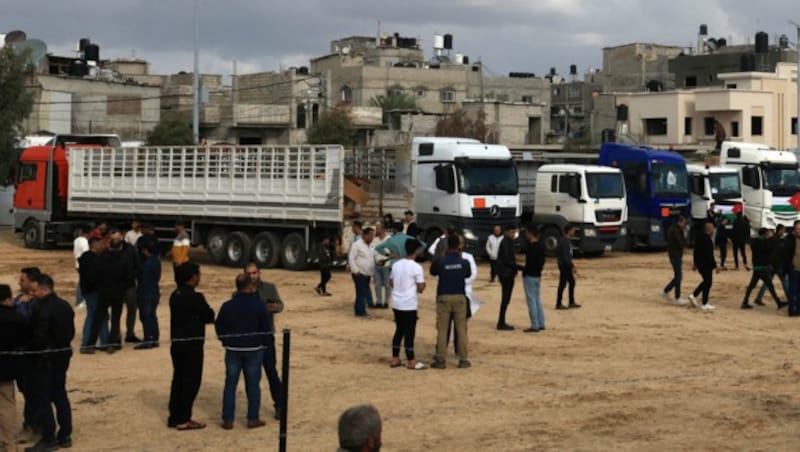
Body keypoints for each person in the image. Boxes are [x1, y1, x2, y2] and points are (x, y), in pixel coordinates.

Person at [25, 274, 74, 451]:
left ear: (45, 289)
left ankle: (48, 437)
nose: (33, 293)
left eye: (35, 290)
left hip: (45, 359)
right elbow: (70, 333)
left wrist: (27, 350)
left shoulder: (42, 308)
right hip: (62, 355)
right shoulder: (64, 305)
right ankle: (65, 434)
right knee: (60, 394)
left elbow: (40, 336)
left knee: (44, 398)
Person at [216, 274, 270, 430]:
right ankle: (252, 418)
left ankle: (228, 419)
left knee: (230, 385)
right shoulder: (258, 304)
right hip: (254, 348)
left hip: (233, 349)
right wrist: (265, 344)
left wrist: (225, 340)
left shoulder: (228, 305)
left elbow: (219, 325)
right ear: (250, 286)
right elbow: (265, 327)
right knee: (253, 385)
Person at [168, 263, 214, 430]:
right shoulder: (196, 297)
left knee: (178, 380)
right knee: (191, 381)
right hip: (193, 345)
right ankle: (184, 418)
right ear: (192, 277)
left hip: (177, 344)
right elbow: (209, 316)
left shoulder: (174, 295)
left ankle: (174, 416)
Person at [242, 263, 285, 421]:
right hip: (249, 338)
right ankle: (253, 411)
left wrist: (274, 307)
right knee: (252, 375)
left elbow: (281, 305)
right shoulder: (238, 293)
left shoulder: (269, 288)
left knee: (271, 372)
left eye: (255, 273)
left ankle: (280, 405)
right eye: (249, 273)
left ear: (260, 273)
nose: (252, 276)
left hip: (266, 336)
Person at [430, 235, 472, 369]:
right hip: (459, 296)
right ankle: (463, 359)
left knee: (442, 330)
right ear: (459, 246)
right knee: (461, 330)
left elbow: (433, 271)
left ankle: (441, 359)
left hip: (444, 296)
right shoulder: (464, 262)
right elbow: (468, 275)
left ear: (447, 245)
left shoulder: (441, 261)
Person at [89, 230, 135, 352]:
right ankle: (111, 343)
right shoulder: (123, 261)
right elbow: (128, 276)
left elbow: (94, 275)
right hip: (118, 292)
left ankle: (90, 344)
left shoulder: (101, 258)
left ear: (109, 245)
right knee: (115, 319)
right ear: (120, 247)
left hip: (104, 291)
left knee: (98, 318)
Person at [389, 239, 426, 370]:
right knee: (409, 332)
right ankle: (411, 359)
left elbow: (391, 282)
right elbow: (421, 286)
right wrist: (420, 287)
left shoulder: (396, 265)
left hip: (397, 302)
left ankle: (395, 357)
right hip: (409, 304)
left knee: (399, 330)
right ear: (416, 250)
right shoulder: (416, 267)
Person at [0, 284, 29, 452]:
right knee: (7, 406)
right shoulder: (16, 318)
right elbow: (25, 341)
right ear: (8, 299)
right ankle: (10, 443)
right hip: (7, 369)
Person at [741, 228, 787, 310]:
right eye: (767, 233)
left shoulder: (755, 241)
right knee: (770, 286)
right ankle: (778, 302)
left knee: (752, 286)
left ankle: (745, 302)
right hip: (762, 268)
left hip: (756, 267)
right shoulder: (764, 242)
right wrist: (771, 238)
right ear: (764, 234)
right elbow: (770, 249)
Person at [78, 237, 110, 354]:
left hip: (88, 291)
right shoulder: (93, 259)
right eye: (101, 244)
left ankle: (102, 341)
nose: (103, 246)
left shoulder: (85, 258)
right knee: (95, 316)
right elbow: (93, 276)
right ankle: (90, 343)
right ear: (94, 245)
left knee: (95, 315)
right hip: (94, 291)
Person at [135, 240, 161, 350]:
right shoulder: (156, 261)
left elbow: (144, 280)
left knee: (146, 316)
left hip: (146, 292)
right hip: (155, 290)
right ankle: (154, 338)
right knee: (152, 315)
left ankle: (148, 340)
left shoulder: (146, 264)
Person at [755, 224, 790, 305]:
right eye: (783, 230)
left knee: (767, 282)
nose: (784, 232)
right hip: (777, 265)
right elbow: (775, 254)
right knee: (785, 282)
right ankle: (790, 298)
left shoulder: (772, 239)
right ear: (780, 230)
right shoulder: (778, 240)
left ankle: (758, 298)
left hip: (771, 265)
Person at [690, 221, 720, 312]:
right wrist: (715, 266)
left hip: (700, 264)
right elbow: (709, 255)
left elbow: (695, 251)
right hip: (705, 265)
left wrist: (695, 263)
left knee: (706, 282)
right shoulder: (707, 240)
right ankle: (704, 303)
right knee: (708, 283)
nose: (713, 231)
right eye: (712, 229)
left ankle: (694, 296)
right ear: (709, 229)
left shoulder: (700, 238)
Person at [521, 226, 546, 333]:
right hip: (537, 275)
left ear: (531, 233)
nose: (526, 235)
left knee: (531, 300)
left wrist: (524, 270)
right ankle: (541, 322)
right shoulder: (541, 246)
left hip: (530, 275)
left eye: (527, 233)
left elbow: (530, 263)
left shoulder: (532, 247)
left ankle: (535, 324)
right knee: (537, 299)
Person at [661, 216, 689, 306]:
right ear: (679, 222)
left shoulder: (673, 229)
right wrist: (685, 235)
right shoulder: (676, 230)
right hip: (675, 255)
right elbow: (680, 243)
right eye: (684, 223)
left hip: (674, 255)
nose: (684, 225)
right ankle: (677, 297)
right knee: (678, 276)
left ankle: (666, 291)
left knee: (678, 276)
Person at [495, 225, 518, 330]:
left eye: (514, 232)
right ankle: (501, 322)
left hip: (508, 273)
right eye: (512, 232)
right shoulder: (505, 242)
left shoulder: (509, 242)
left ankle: (502, 321)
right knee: (505, 298)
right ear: (507, 232)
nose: (513, 234)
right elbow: (507, 260)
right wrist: (519, 267)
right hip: (506, 274)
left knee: (506, 299)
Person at [348, 227, 375, 316]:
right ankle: (360, 311)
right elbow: (351, 258)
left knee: (363, 292)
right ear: (365, 235)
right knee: (360, 292)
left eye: (373, 235)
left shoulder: (371, 245)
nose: (372, 237)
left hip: (368, 273)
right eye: (371, 235)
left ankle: (360, 309)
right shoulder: (357, 244)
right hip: (359, 273)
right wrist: (355, 270)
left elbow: (373, 257)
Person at [122, 230, 142, 344]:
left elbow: (138, 266)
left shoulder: (130, 250)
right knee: (116, 311)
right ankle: (115, 336)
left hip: (129, 284)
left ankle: (130, 333)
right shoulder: (110, 249)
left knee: (132, 309)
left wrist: (132, 275)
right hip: (116, 285)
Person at [556, 225, 580, 309]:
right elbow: (566, 256)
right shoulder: (564, 241)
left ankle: (571, 301)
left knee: (571, 282)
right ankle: (559, 303)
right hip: (565, 265)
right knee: (562, 284)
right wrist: (572, 265)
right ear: (568, 231)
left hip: (566, 265)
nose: (573, 232)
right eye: (572, 230)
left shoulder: (566, 241)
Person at [371, 222, 392, 309]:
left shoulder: (389, 239)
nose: (377, 230)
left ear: (383, 229)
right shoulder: (375, 240)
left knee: (387, 284)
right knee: (377, 284)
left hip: (386, 265)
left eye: (378, 228)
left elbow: (390, 252)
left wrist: (384, 260)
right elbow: (373, 252)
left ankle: (386, 301)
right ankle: (379, 301)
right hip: (377, 264)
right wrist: (376, 260)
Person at [784, 221, 800, 317]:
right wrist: (790, 266)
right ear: (794, 229)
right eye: (797, 228)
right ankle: (791, 310)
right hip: (794, 270)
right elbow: (785, 254)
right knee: (793, 290)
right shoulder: (790, 238)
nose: (798, 230)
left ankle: (798, 309)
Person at [72, 225, 90, 308]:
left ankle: (80, 300)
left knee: (82, 281)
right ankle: (80, 301)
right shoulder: (84, 241)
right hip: (84, 264)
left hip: (78, 264)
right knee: (83, 282)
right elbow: (86, 253)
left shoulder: (76, 240)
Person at [172, 220, 191, 285]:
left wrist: (180, 261)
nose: (175, 227)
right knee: (178, 279)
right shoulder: (180, 235)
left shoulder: (184, 235)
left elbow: (185, 250)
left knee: (181, 280)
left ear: (181, 226)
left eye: (176, 226)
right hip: (178, 262)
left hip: (181, 263)